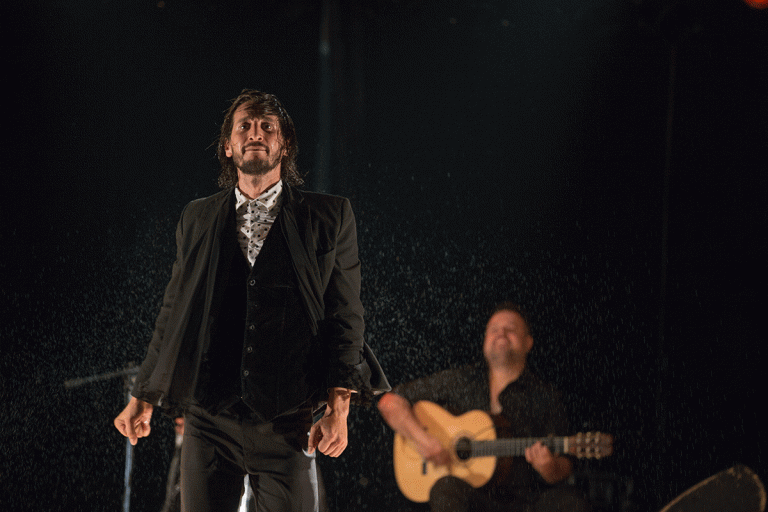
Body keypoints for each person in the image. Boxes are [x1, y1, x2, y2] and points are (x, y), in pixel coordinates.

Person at [114, 89, 387, 512]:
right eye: (245, 126)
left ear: (285, 144)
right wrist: (143, 394)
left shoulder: (329, 217)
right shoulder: (197, 217)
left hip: (287, 421)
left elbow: (345, 318)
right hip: (209, 418)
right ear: (228, 145)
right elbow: (173, 312)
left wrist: (339, 410)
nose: (255, 133)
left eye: (267, 127)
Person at [377, 302, 589, 512]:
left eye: (511, 330)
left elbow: (565, 465)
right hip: (473, 500)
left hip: (526, 503)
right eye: (494, 329)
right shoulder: (460, 380)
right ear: (485, 340)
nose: (501, 334)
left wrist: (550, 468)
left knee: (570, 503)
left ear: (528, 342)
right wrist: (422, 440)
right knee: (445, 488)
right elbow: (390, 402)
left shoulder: (545, 396)